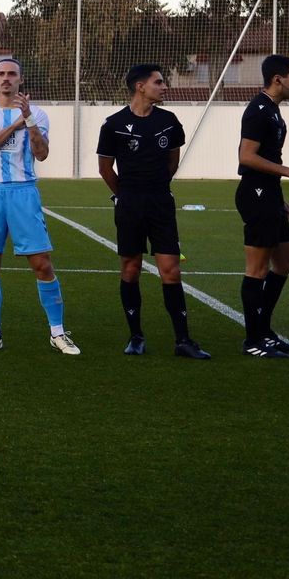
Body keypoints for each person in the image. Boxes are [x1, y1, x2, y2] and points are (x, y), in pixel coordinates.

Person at [96, 63, 210, 358]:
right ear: (140, 86)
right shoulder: (113, 124)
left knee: (170, 271)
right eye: (158, 82)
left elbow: (173, 162)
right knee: (130, 269)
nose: (164, 87)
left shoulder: (169, 122)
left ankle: (183, 340)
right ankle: (136, 336)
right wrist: (125, 195)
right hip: (130, 204)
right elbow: (105, 169)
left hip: (161, 202)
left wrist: (156, 187)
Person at [0, 58, 79, 355]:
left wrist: (27, 121)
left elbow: (41, 154)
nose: (6, 79)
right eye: (1, 74)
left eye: (12, 74)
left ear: (20, 80)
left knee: (42, 264)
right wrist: (16, 123)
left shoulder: (38, 114)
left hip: (23, 192)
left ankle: (57, 332)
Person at [235, 54, 289, 358]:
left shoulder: (273, 111)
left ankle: (265, 331)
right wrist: (288, 172)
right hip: (255, 193)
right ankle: (253, 340)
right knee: (256, 270)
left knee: (283, 264)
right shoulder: (258, 110)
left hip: (269, 193)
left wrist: (278, 197)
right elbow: (246, 156)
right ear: (278, 79)